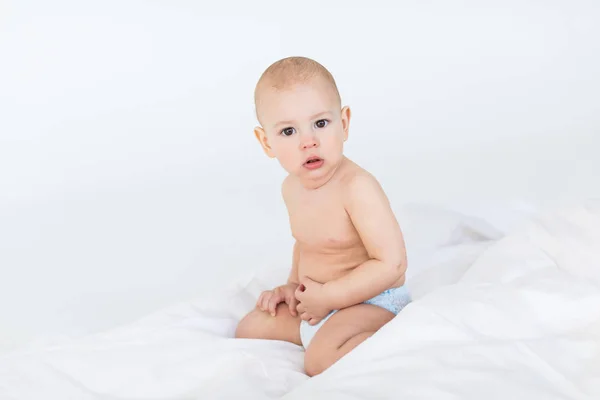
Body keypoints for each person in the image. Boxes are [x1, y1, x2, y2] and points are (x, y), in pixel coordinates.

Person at [235, 56, 411, 377]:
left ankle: (398, 345)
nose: (308, 141)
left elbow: (393, 264)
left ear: (343, 123)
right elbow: (306, 243)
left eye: (320, 123)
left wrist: (330, 296)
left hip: (370, 302)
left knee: (318, 362)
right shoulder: (291, 187)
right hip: (320, 303)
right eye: (288, 131)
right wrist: (292, 286)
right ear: (266, 142)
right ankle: (328, 338)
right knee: (249, 328)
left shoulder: (357, 187)